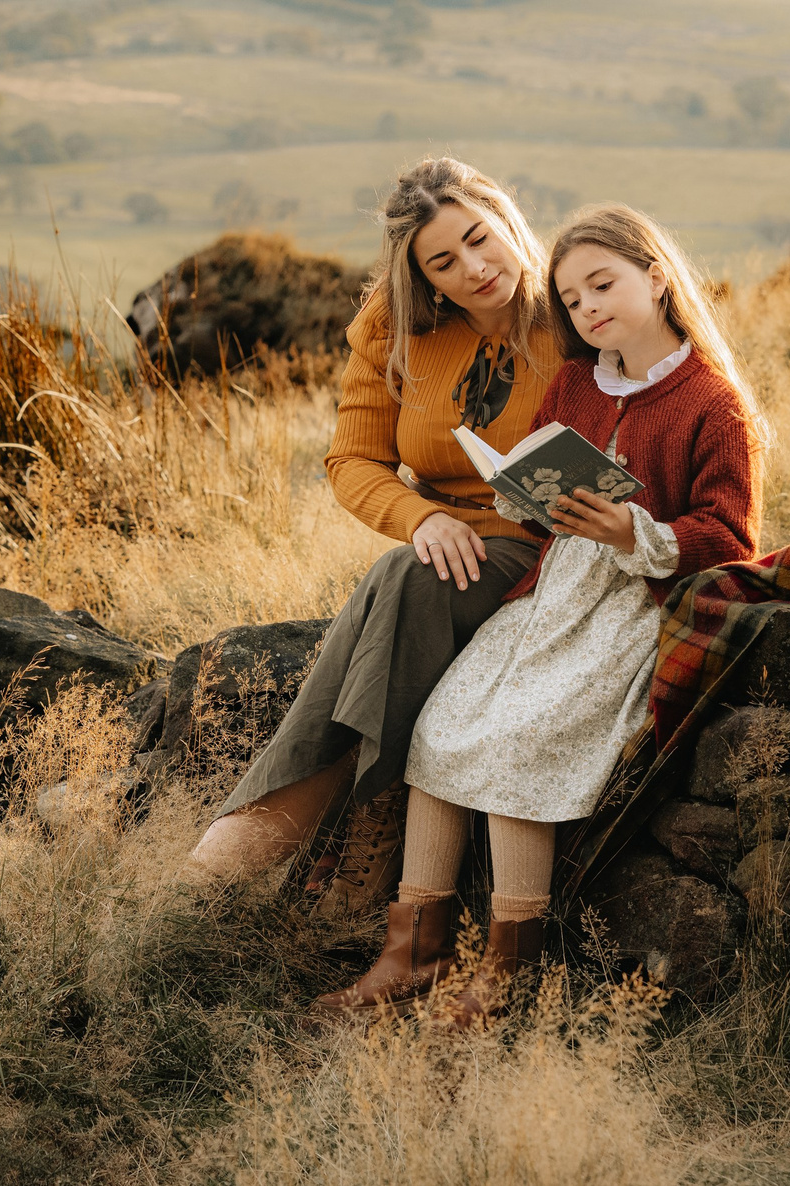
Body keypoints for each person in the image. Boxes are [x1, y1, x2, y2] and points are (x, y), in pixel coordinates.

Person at [316, 202, 767, 1024]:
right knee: (446, 721)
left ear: (658, 278)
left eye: (605, 285)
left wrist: (637, 529)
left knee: (523, 736)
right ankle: (410, 953)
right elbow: (536, 509)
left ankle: (504, 972)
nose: (590, 308)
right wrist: (524, 493)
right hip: (550, 593)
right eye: (573, 298)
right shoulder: (575, 381)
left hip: (630, 606)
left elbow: (732, 533)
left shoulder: (713, 402)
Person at [181, 158, 567, 889]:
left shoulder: (576, 312)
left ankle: (247, 841)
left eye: (482, 239)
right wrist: (419, 517)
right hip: (441, 547)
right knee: (406, 572)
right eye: (444, 263)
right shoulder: (394, 326)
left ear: (508, 218)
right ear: (421, 277)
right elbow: (353, 460)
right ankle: (286, 836)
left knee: (400, 579)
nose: (476, 269)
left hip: (545, 549)